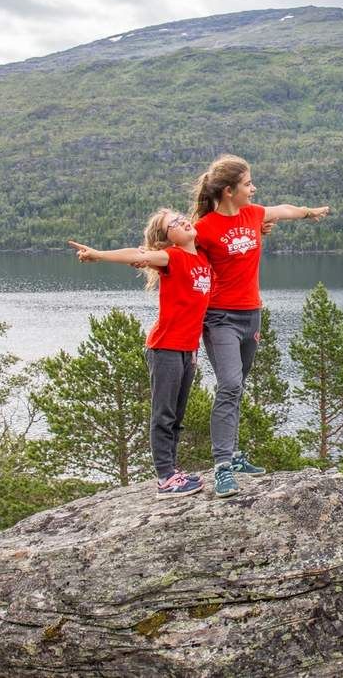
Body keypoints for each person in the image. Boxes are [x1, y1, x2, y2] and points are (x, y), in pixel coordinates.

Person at [191, 154, 328, 498]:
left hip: (251, 314)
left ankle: (235, 455)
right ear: (228, 191)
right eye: (248, 183)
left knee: (237, 386)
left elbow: (283, 209)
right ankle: (222, 465)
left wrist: (309, 212)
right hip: (219, 316)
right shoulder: (204, 229)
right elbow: (174, 250)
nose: (254, 188)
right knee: (230, 384)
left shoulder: (253, 216)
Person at [68, 209, 211, 499]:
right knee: (164, 413)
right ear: (165, 238)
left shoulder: (202, 257)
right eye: (173, 223)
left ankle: (173, 471)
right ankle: (165, 477)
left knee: (177, 415)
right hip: (165, 347)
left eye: (181, 216)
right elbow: (139, 253)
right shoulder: (171, 256)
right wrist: (99, 254)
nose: (182, 221)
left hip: (188, 349)